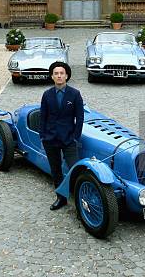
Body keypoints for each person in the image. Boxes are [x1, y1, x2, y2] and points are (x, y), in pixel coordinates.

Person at [40, 61, 84, 211]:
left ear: (67, 76)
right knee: (56, 169)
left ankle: (80, 200)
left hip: (68, 138)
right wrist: (43, 136)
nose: (59, 76)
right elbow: (43, 117)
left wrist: (75, 137)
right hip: (50, 139)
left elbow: (80, 118)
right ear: (52, 76)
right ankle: (61, 198)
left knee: (75, 168)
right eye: (56, 73)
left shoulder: (75, 94)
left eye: (62, 73)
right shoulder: (47, 95)